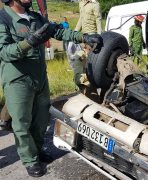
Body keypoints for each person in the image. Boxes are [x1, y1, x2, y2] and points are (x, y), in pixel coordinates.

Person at [0, 0, 102, 177]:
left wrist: (83, 37)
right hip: (18, 80)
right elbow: (4, 52)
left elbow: (58, 31)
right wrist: (29, 42)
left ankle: (37, 151)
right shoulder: (4, 19)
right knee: (22, 124)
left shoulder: (35, 17)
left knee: (42, 119)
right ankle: (30, 160)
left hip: (39, 78)